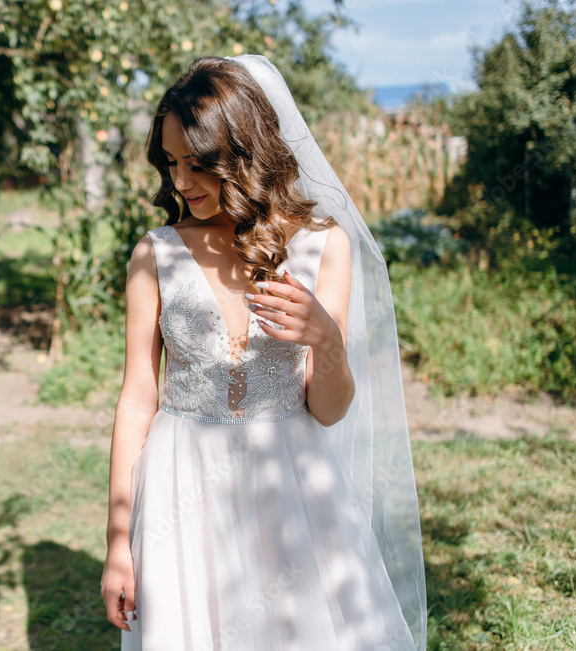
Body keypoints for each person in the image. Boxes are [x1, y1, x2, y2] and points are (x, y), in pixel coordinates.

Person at [100, 55, 427, 650]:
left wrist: (325, 339)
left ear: (246, 153)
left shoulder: (324, 247)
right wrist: (118, 543)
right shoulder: (156, 254)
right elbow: (136, 398)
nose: (180, 182)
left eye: (198, 164)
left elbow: (328, 410)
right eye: (170, 163)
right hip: (181, 485)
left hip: (291, 483)